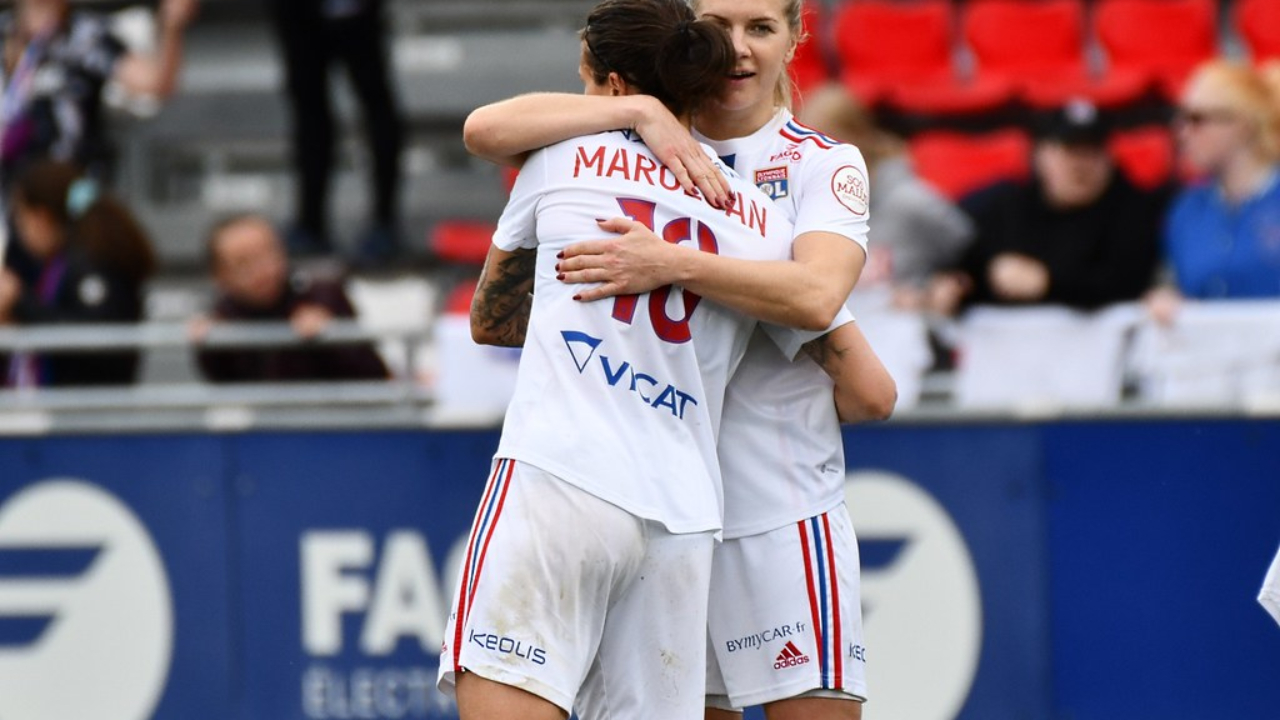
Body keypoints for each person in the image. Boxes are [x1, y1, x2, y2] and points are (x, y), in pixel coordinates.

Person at [439, 2, 888, 719]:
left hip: (732, 498)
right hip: (686, 508)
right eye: (719, 29)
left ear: (797, 37)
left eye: (762, 28)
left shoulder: (570, 155)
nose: (738, 50)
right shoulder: (756, 218)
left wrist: (667, 263)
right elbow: (867, 384)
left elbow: (491, 312)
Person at [928, 99, 1164, 316]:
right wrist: (955, 285)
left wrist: (1047, 282)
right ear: (1041, 155)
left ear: (1110, 157)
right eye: (1069, 150)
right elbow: (963, 262)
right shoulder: (1006, 205)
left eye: (1092, 151)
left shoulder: (1134, 209)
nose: (1081, 164)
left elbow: (1127, 281)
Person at [799, 82, 973, 309]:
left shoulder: (911, 201)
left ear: (855, 138)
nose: (811, 158)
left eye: (823, 144)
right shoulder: (806, 205)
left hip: (904, 332)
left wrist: (931, 290)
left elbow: (971, 254)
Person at [266, 0, 404, 266]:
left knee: (375, 102)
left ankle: (384, 221)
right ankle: (310, 223)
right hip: (297, 11)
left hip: (356, 11)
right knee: (308, 107)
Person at [1146, 59, 1280, 323]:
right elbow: (1176, 284)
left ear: (1243, 124)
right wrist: (1166, 298)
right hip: (1211, 359)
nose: (1182, 132)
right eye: (1179, 118)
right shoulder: (1185, 211)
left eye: (1197, 119)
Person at [0, 159, 155, 386]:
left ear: (41, 217)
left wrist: (20, 301)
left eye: (20, 218)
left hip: (88, 412)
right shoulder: (57, 264)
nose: (20, 230)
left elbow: (94, 338)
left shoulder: (92, 264)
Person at [192, 212, 389, 383]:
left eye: (267, 252)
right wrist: (210, 346)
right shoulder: (223, 317)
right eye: (244, 263)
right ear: (219, 275)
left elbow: (375, 375)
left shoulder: (323, 295)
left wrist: (330, 335)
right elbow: (224, 385)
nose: (261, 270)